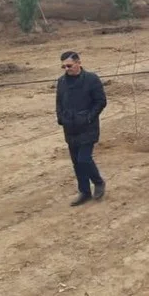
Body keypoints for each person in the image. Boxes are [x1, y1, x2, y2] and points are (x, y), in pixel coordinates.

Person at [55, 51, 107, 207]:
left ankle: (98, 182)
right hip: (70, 127)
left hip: (87, 127)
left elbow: (101, 101)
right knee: (76, 162)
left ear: (78, 63)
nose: (66, 69)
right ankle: (84, 192)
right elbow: (58, 101)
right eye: (63, 66)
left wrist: (89, 117)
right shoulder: (62, 81)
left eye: (69, 65)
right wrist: (61, 118)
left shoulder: (91, 79)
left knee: (84, 159)